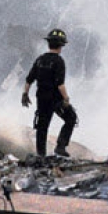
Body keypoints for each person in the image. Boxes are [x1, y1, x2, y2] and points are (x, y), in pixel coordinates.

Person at [22, 27, 78, 160]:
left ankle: (40, 155)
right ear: (61, 45)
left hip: (42, 99)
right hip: (56, 100)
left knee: (42, 127)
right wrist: (66, 99)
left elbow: (29, 79)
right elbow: (60, 84)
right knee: (71, 118)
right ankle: (60, 147)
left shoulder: (40, 60)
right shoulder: (59, 61)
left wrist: (25, 94)